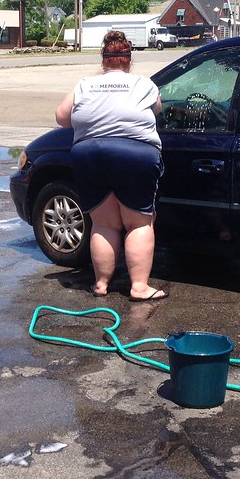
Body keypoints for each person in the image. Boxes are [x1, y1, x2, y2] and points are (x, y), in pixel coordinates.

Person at [55, 30, 167, 301]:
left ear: (103, 61)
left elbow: (61, 117)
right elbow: (157, 110)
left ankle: (102, 283)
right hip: (135, 154)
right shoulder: (143, 84)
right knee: (138, 223)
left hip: (88, 153)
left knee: (104, 223)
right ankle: (139, 287)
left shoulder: (85, 84)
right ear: (129, 60)